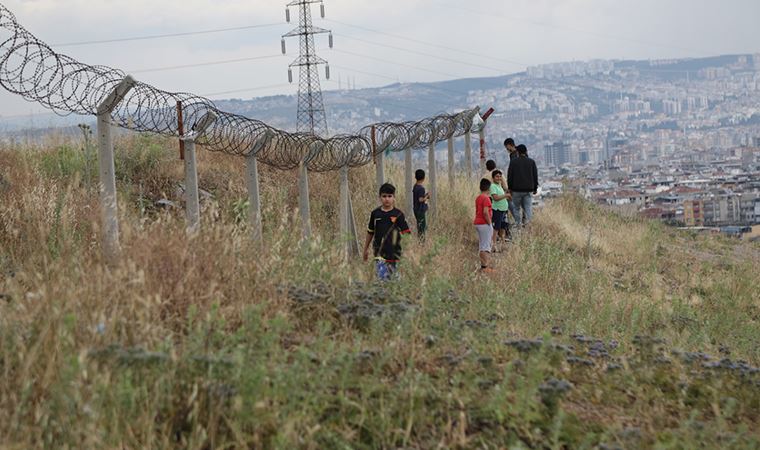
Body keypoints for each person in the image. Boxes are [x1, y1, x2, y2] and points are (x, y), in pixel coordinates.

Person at [363, 183, 412, 281]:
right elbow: (370, 232)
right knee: (382, 282)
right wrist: (366, 249)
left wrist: (408, 252)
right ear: (380, 197)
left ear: (394, 198)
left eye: (390, 196)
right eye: (384, 196)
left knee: (395, 284)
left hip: (395, 255)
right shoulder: (375, 214)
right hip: (379, 255)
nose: (387, 199)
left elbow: (406, 234)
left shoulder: (398, 214)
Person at [507, 144, 538, 227]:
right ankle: (529, 225)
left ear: (518, 152)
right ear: (526, 151)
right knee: (528, 207)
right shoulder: (531, 162)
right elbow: (535, 175)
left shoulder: (513, 162)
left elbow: (510, 175)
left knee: (516, 208)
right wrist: (535, 188)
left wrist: (510, 188)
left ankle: (518, 224)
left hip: (516, 189)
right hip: (528, 189)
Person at [474, 178, 494, 272]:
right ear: (489, 188)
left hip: (478, 223)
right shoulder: (486, 198)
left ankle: (483, 266)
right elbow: (485, 212)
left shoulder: (478, 197)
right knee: (486, 246)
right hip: (484, 223)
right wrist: (489, 223)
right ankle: (485, 267)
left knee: (482, 245)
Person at [490, 170, 510, 250]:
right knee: (496, 228)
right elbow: (495, 198)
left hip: (503, 209)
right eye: (497, 176)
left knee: (503, 227)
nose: (499, 178)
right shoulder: (493, 186)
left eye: (500, 176)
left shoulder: (500, 186)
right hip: (497, 210)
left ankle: (503, 244)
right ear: (493, 178)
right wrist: (505, 195)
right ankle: (494, 245)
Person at [412, 169, 430, 240]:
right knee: (422, 228)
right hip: (420, 210)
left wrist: (424, 196)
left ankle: (420, 241)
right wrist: (427, 196)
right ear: (423, 178)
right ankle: (421, 243)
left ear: (415, 177)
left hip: (416, 209)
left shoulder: (415, 186)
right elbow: (420, 199)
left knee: (420, 226)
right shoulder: (421, 188)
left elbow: (418, 197)